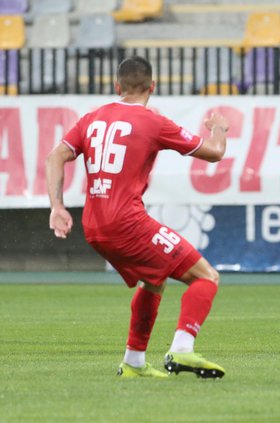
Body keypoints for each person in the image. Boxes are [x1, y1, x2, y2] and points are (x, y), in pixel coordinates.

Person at [46, 56, 230, 378]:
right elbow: (214, 152)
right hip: (126, 223)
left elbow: (55, 156)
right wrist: (219, 128)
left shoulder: (91, 118)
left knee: (153, 281)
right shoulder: (152, 122)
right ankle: (183, 349)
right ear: (153, 87)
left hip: (94, 226)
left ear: (117, 86)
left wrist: (57, 207)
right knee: (206, 277)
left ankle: (133, 362)